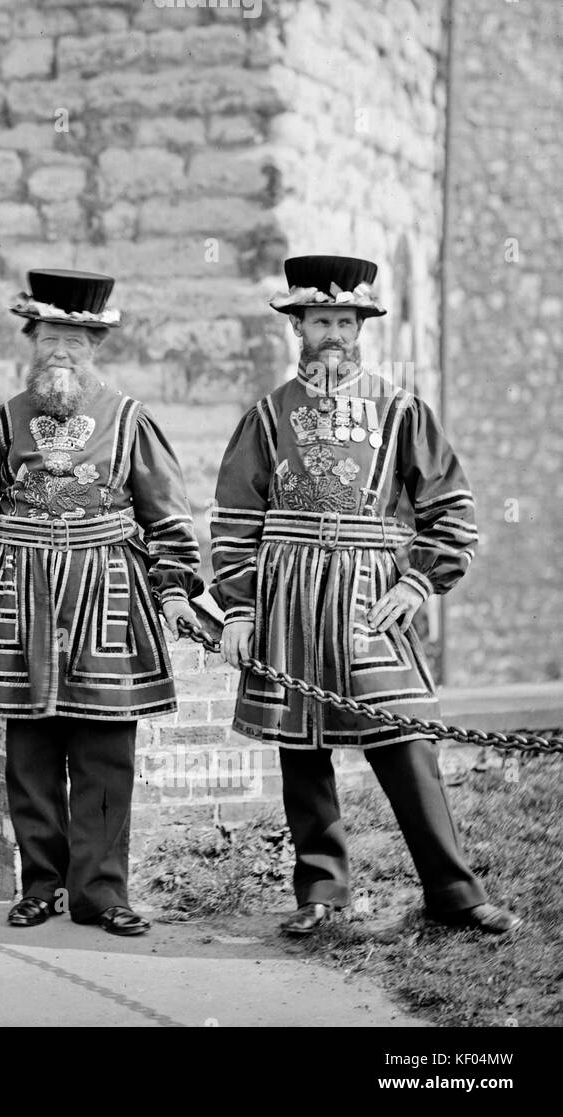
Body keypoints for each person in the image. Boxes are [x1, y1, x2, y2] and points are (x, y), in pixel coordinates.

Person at [211, 254, 521, 936]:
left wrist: (418, 580)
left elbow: (453, 509)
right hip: (287, 599)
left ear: (361, 329)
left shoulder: (403, 409)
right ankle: (320, 893)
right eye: (319, 319)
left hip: (369, 598)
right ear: (298, 327)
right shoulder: (266, 416)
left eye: (344, 321)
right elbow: (235, 516)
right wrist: (237, 606)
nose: (332, 333)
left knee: (404, 735)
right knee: (302, 749)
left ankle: (453, 892)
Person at [0, 269, 201, 937]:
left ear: (95, 345)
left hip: (110, 597)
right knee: (30, 751)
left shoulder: (129, 421)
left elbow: (170, 518)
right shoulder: (1, 422)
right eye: (50, 337)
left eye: (76, 339)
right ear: (32, 339)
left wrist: (175, 591)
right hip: (22, 600)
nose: (61, 351)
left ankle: (100, 890)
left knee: (104, 751)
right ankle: (41, 885)